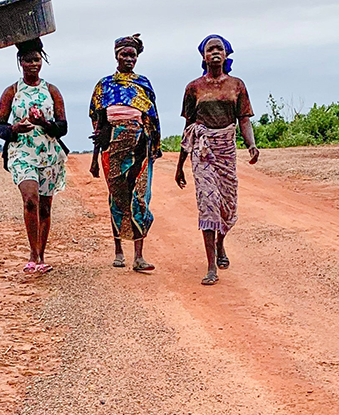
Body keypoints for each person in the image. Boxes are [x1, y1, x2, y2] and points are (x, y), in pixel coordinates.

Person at [175, 34, 259, 285]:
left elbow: (243, 119)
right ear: (203, 56)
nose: (215, 52)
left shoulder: (237, 85)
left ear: (226, 55)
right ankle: (211, 265)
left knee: (227, 205)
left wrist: (251, 145)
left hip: (226, 151)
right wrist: (180, 164)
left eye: (219, 48)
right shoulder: (193, 88)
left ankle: (221, 243)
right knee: (208, 204)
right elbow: (189, 126)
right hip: (202, 152)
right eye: (210, 49)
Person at [0, 38, 68, 274]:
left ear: (41, 61)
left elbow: (63, 127)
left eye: (36, 59)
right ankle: (32, 255)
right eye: (28, 60)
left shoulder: (52, 91)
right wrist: (14, 130)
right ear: (20, 62)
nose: (32, 64)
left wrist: (43, 123)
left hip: (48, 154)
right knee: (30, 200)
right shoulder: (11, 92)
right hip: (22, 152)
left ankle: (42, 256)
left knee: (45, 207)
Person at [89, 34, 161, 272]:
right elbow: (97, 122)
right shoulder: (104, 85)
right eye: (124, 54)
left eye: (133, 55)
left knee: (140, 198)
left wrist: (154, 148)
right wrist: (94, 158)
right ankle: (118, 250)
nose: (129, 59)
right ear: (116, 55)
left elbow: (152, 118)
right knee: (117, 199)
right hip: (112, 147)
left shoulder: (143, 84)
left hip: (140, 145)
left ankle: (139, 256)